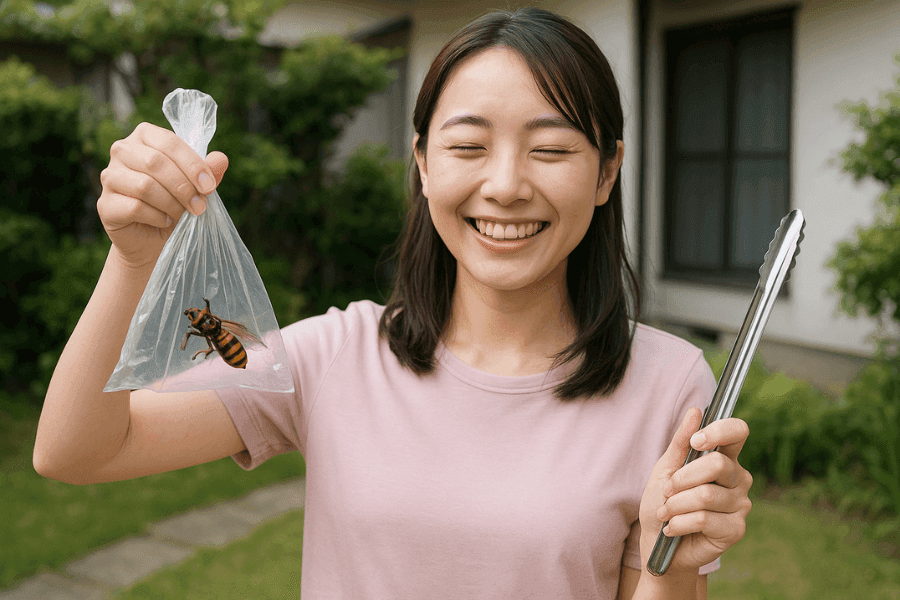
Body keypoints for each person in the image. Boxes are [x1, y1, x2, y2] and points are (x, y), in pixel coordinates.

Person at [34, 7, 752, 600]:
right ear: (423, 163)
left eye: (551, 151)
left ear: (607, 172)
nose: (504, 185)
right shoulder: (328, 356)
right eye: (468, 145)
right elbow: (79, 450)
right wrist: (133, 260)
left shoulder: (671, 387)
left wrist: (673, 567)